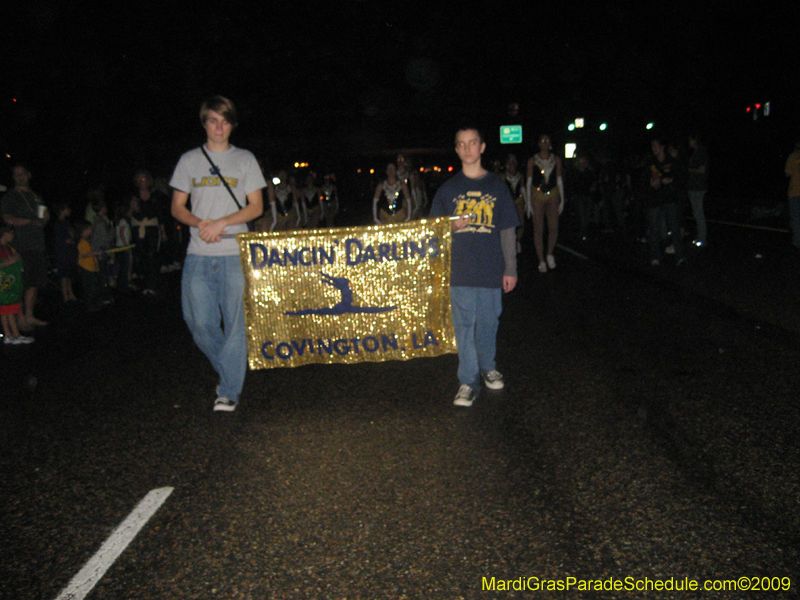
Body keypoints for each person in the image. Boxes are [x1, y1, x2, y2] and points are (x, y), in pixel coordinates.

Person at [170, 95, 266, 412]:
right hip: (199, 253)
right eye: (213, 120)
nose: (219, 127)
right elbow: (177, 207)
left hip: (234, 253)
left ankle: (228, 391)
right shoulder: (189, 161)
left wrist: (222, 223)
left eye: (225, 121)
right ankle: (230, 371)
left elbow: (256, 206)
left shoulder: (245, 159)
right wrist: (201, 224)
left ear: (232, 125)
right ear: (204, 123)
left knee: (236, 324)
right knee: (198, 322)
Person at [428, 127, 519, 407]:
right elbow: (433, 230)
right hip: (460, 271)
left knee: (489, 323)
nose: (467, 149)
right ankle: (467, 381)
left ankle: (488, 367)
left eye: (473, 143)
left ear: (482, 147)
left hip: (491, 268)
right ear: (457, 150)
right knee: (464, 326)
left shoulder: (497, 186)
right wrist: (451, 226)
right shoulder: (448, 190)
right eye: (462, 144)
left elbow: (507, 230)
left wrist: (510, 268)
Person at [1, 164, 50, 329]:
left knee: (34, 282)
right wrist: (29, 221)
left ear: (29, 174)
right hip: (20, 244)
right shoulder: (11, 196)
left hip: (37, 244)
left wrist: (45, 219)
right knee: (21, 283)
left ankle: (29, 315)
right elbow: (7, 218)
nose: (20, 177)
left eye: (22, 173)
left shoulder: (36, 196)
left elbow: (42, 217)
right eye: (16, 174)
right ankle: (19, 318)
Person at [526, 135, 564, 273]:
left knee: (553, 227)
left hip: (552, 194)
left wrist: (562, 199)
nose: (545, 143)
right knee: (538, 228)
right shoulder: (533, 160)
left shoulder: (556, 159)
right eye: (542, 140)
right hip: (537, 194)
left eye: (547, 140)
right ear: (538, 143)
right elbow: (529, 181)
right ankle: (541, 260)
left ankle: (549, 253)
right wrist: (528, 203)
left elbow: (559, 179)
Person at [646, 138, 685, 266]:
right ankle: (655, 256)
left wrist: (670, 180)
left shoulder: (671, 161)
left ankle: (680, 256)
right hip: (655, 199)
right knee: (655, 229)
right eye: (652, 147)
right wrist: (651, 184)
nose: (654, 149)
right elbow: (645, 179)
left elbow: (680, 178)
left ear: (662, 147)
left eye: (656, 146)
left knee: (674, 228)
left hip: (669, 198)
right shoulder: (651, 162)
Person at [130, 170, 167, 296]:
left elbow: (159, 214)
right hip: (139, 229)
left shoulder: (155, 195)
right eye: (139, 180)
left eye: (144, 179)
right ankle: (144, 284)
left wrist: (163, 231)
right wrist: (134, 208)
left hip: (152, 229)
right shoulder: (134, 196)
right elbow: (132, 214)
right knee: (142, 256)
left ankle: (152, 285)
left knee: (152, 256)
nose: (142, 182)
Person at [0, 223, 34, 344]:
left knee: (9, 308)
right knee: (6, 308)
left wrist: (15, 258)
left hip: (11, 282)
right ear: (5, 233)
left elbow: (17, 258)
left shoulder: (9, 247)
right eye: (11, 233)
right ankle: (12, 334)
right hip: (3, 283)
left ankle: (11, 335)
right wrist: (8, 262)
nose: (13, 236)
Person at [52, 203, 78, 303]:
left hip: (69, 252)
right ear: (61, 210)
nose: (69, 210)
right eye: (67, 208)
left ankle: (71, 294)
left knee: (69, 274)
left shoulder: (66, 223)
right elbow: (67, 239)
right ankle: (65, 296)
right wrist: (72, 238)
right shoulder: (59, 224)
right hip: (63, 253)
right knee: (64, 275)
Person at [687, 134, 709, 247]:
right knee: (696, 213)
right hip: (693, 186)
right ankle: (700, 236)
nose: (689, 142)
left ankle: (702, 238)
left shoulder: (701, 152)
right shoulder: (694, 153)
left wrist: (689, 170)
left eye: (690, 140)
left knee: (699, 213)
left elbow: (702, 170)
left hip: (698, 187)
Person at [77, 220, 103, 312]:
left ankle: (93, 304)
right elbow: (84, 255)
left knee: (92, 286)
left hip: (91, 267)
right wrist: (96, 253)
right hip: (86, 268)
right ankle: (90, 306)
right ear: (84, 230)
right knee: (89, 287)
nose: (91, 231)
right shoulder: (82, 242)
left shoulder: (87, 241)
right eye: (89, 229)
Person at [785, 141, 800, 250]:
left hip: (795, 192)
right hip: (795, 192)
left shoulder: (793, 156)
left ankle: (797, 241)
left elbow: (787, 173)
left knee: (796, 218)